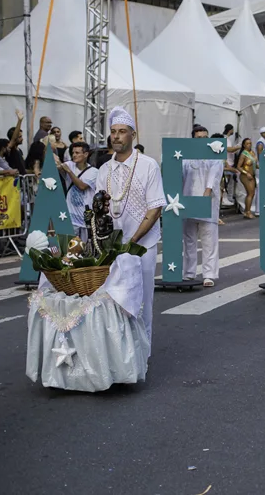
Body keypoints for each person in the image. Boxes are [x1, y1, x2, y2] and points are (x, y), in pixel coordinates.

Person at [96, 107, 166, 353]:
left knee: (141, 300)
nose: (116, 136)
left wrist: (132, 242)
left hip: (141, 246)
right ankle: (118, 355)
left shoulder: (148, 165)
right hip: (111, 247)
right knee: (112, 299)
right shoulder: (104, 170)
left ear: (133, 135)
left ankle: (142, 353)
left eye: (122, 132)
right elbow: (99, 209)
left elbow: (155, 208)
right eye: (113, 132)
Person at [182, 125, 224, 287]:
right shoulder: (186, 156)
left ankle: (209, 274)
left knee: (209, 240)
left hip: (208, 202)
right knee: (189, 240)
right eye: (198, 138)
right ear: (193, 139)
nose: (202, 141)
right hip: (187, 202)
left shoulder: (214, 156)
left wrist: (206, 194)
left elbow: (214, 178)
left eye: (205, 138)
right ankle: (189, 273)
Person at [59, 141, 98, 241]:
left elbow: (82, 186)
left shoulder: (93, 171)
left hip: (85, 217)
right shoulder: (70, 164)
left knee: (85, 246)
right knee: (71, 247)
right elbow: (58, 166)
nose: (74, 155)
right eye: (73, 153)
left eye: (77, 153)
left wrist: (69, 171)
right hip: (70, 216)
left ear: (85, 154)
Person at [235, 137, 257, 219]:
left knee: (252, 193)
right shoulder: (243, 154)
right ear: (244, 145)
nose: (249, 145)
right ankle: (247, 211)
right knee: (250, 193)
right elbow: (238, 167)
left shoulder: (252, 153)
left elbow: (255, 164)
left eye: (250, 143)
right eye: (247, 144)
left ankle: (247, 210)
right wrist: (246, 173)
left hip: (252, 175)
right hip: (245, 176)